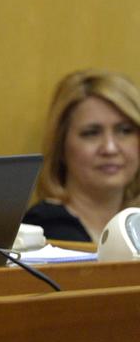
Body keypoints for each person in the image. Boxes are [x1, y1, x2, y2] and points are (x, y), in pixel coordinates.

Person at [24, 69, 140, 243]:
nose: (110, 148)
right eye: (91, 133)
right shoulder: (45, 228)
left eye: (124, 131)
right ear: (61, 146)